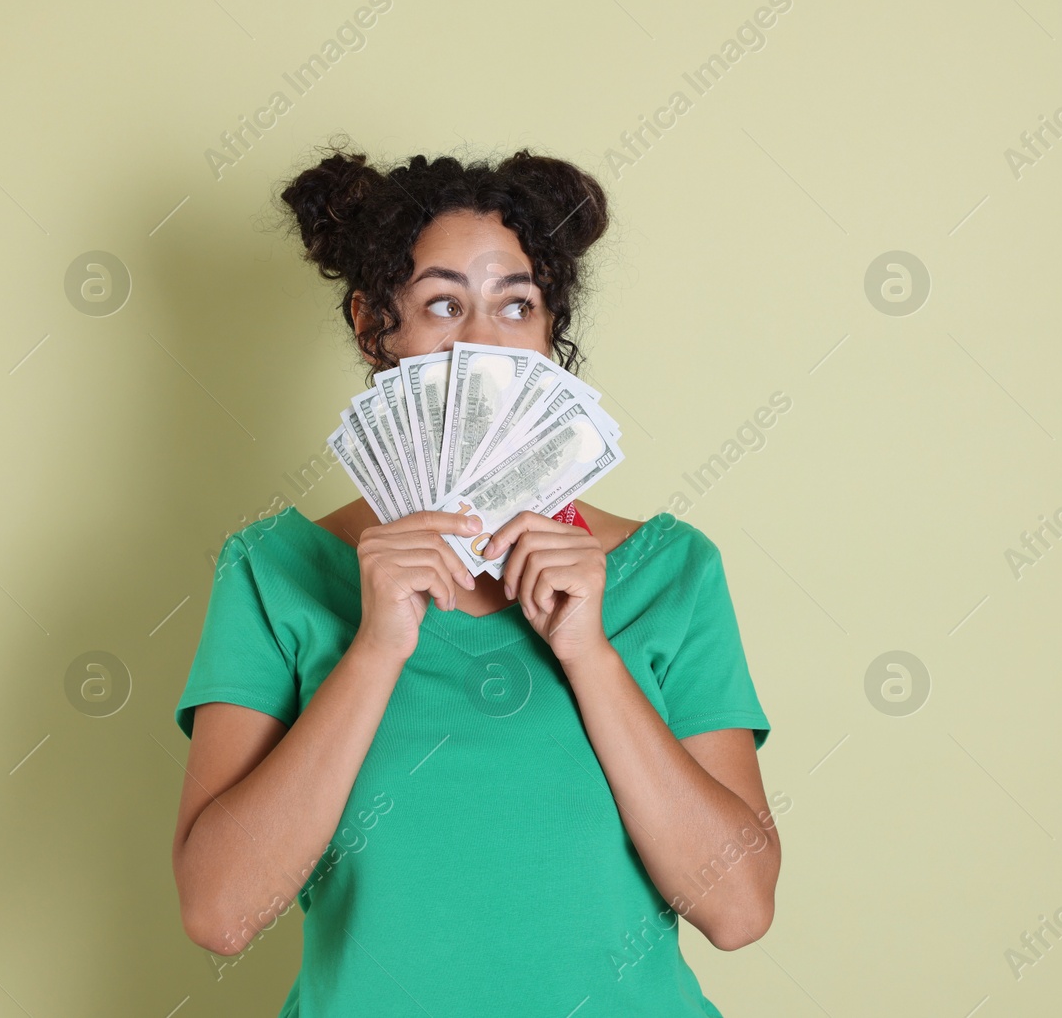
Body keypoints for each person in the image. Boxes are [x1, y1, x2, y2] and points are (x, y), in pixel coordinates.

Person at [169, 141, 781, 1016]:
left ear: (550, 329)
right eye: (443, 303)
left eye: (517, 304)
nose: (484, 344)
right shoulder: (275, 571)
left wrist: (592, 656)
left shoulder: (670, 570)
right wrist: (376, 648)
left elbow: (740, 906)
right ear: (373, 327)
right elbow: (221, 912)